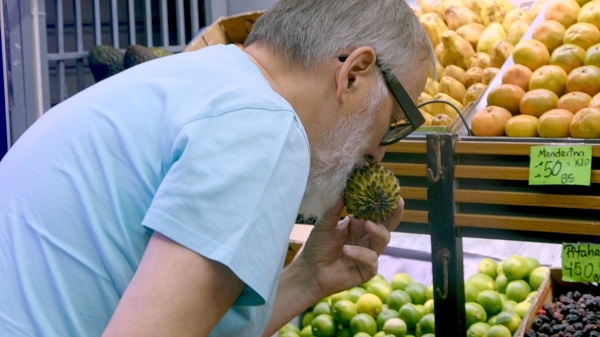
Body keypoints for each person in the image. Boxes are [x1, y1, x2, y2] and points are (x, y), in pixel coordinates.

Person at [0, 0, 434, 335]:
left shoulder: (202, 79)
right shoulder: (265, 127)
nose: (379, 153)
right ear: (354, 73)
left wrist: (309, 278)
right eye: (395, 122)